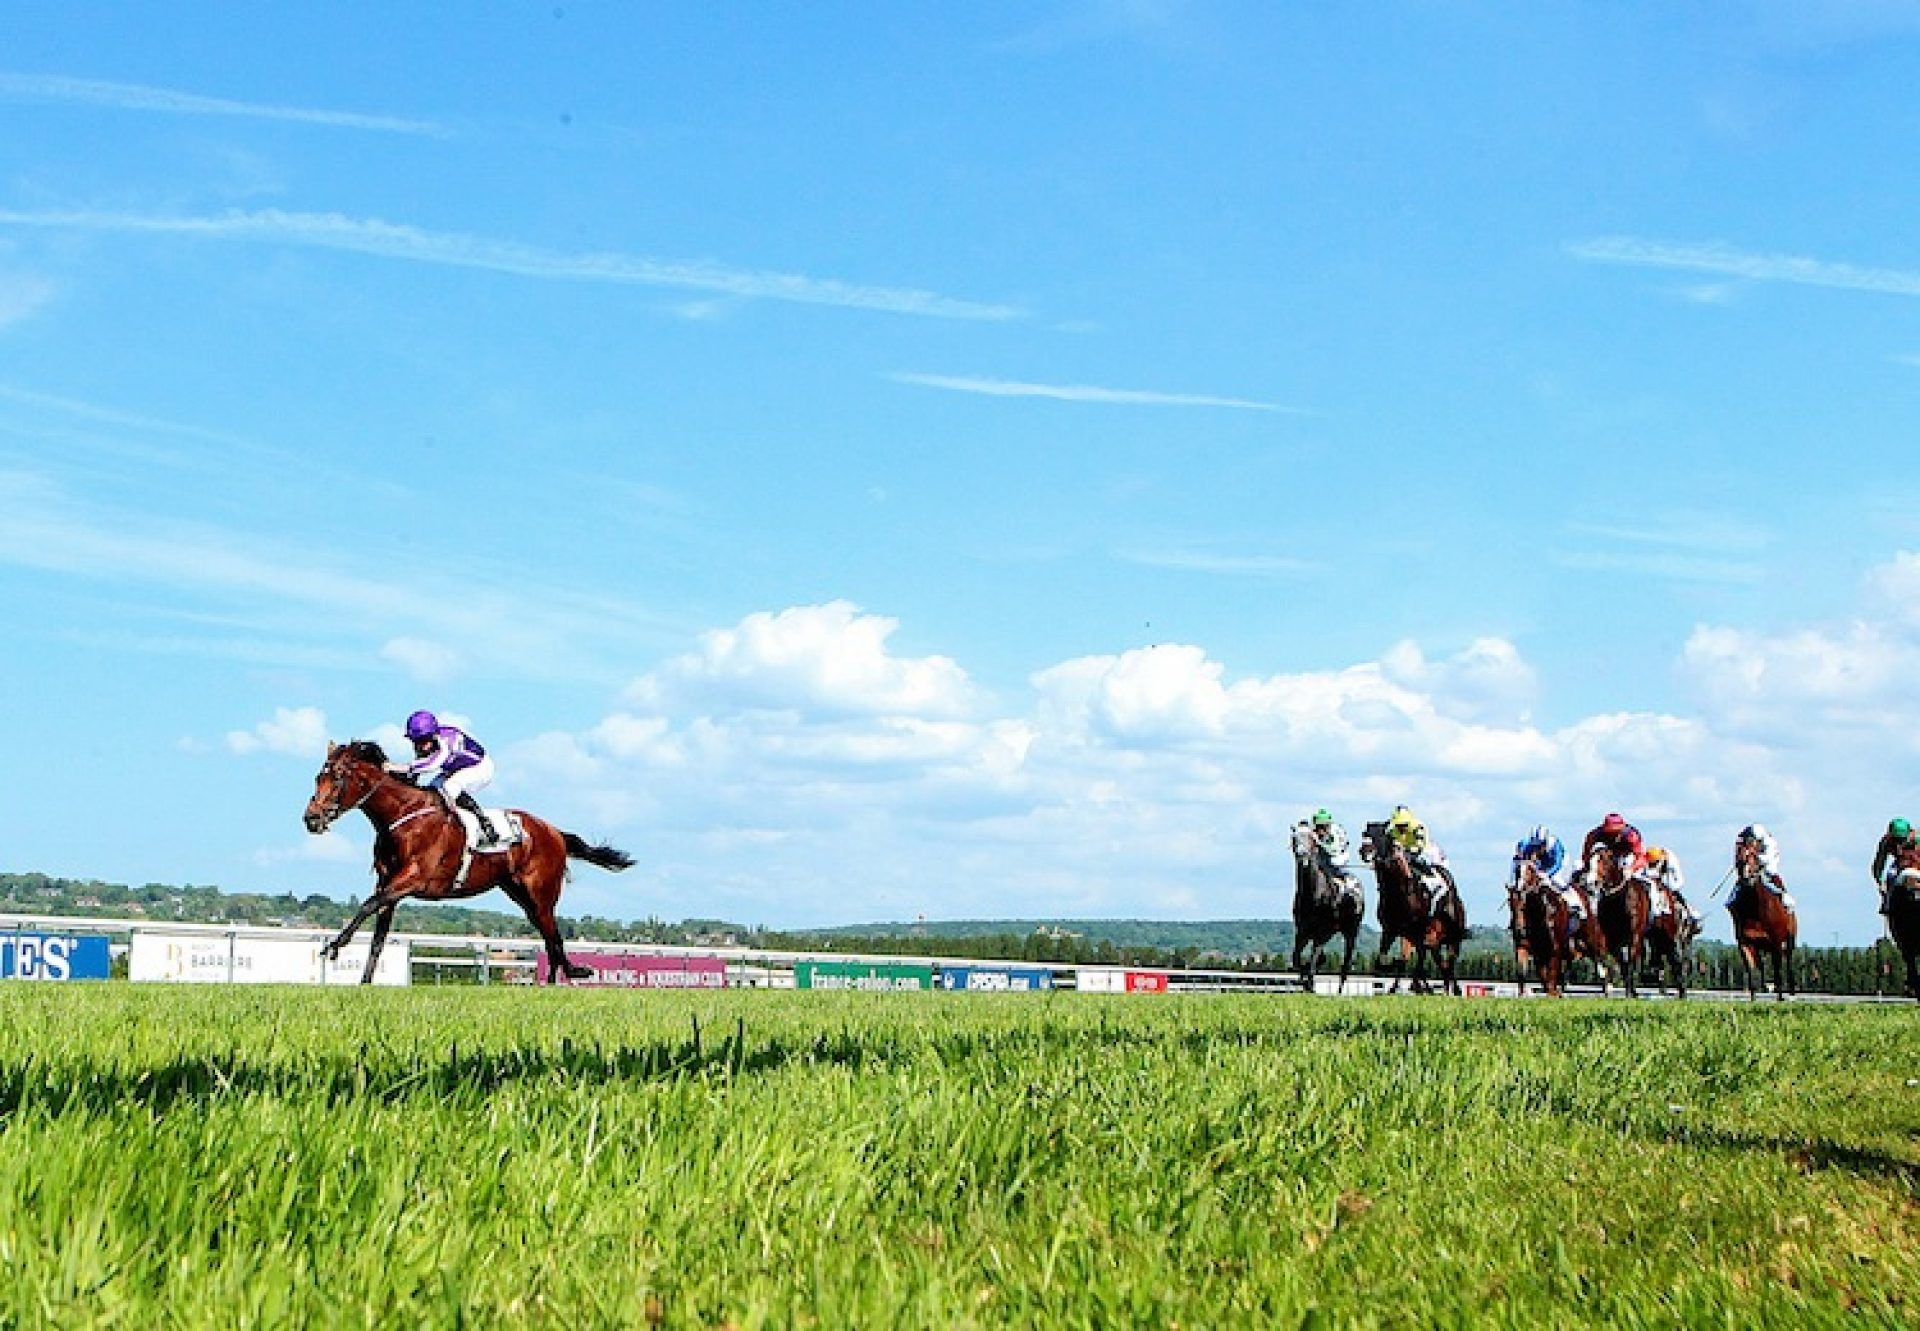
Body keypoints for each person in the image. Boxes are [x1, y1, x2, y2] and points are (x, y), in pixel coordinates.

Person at [391, 710, 498, 844]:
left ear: (434, 735)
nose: (420, 746)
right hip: (457, 769)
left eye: (423, 741)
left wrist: (398, 767)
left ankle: (484, 823)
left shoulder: (448, 741)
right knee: (432, 790)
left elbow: (432, 764)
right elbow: (418, 767)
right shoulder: (429, 740)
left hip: (480, 768)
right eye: (416, 741)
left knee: (449, 787)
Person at [1511, 823, 1585, 931]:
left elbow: (1557, 864)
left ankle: (1576, 906)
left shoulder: (1554, 844)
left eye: (1540, 845)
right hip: (1543, 864)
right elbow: (1521, 863)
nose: (1537, 849)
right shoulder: (1527, 846)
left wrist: (1547, 874)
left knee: (1557, 880)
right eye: (1534, 846)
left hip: (1561, 864)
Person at [1387, 806, 1452, 901]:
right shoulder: (1392, 832)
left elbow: (1419, 847)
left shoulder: (1418, 827)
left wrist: (1403, 852)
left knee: (1420, 863)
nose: (1401, 827)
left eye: (1404, 824)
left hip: (1427, 852)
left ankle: (1437, 886)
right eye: (1398, 825)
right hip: (1406, 853)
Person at [1579, 812, 1645, 886]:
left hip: (1628, 854)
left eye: (1616, 832)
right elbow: (1586, 853)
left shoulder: (1631, 835)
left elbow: (1641, 857)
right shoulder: (1594, 834)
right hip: (1609, 854)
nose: (1613, 835)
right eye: (1610, 832)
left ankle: (1652, 894)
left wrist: (1631, 868)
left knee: (1636, 875)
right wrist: (1588, 866)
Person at [1643, 846, 1701, 924]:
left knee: (1672, 887)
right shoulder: (1649, 859)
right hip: (1659, 873)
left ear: (1660, 860)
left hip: (1671, 878)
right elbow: (1646, 873)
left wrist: (1668, 887)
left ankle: (1691, 912)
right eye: (1650, 864)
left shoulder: (1672, 861)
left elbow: (1680, 882)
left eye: (1654, 864)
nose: (1652, 866)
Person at [1871, 818, 1916, 916]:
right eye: (1895, 840)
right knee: (1891, 875)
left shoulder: (1917, 839)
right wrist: (1881, 882)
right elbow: (1878, 864)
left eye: (1902, 840)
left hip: (1917, 863)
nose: (1898, 845)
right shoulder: (1885, 842)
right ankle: (1887, 904)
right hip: (1901, 863)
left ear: (1909, 834)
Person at [1736, 823, 1785, 894]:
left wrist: (1756, 857)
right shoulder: (1745, 842)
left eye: (1752, 839)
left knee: (1770, 871)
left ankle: (1783, 895)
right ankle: (1731, 899)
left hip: (1766, 866)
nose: (1750, 841)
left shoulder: (1770, 843)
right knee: (1740, 883)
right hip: (1751, 868)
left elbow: (1768, 857)